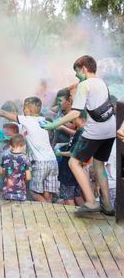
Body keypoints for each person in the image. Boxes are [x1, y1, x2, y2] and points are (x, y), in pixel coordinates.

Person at [42, 55, 116, 215]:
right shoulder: (102, 83)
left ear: (83, 68)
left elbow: (75, 112)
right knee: (99, 164)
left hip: (95, 130)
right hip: (110, 129)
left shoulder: (85, 85)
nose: (76, 76)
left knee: (73, 163)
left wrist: (54, 124)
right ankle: (108, 205)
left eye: (77, 71)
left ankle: (91, 201)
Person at [0, 96, 59, 202]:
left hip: (40, 162)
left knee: (34, 192)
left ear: (29, 109)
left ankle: (47, 210)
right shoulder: (43, 120)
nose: (23, 110)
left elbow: (3, 113)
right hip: (52, 161)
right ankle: (50, 214)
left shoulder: (26, 120)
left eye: (24, 108)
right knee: (47, 192)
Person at [55, 113, 86, 206]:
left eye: (73, 118)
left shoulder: (81, 131)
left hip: (69, 170)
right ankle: (86, 215)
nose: (72, 121)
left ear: (79, 118)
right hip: (76, 168)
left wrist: (59, 153)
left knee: (68, 198)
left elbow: (73, 153)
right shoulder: (83, 130)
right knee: (77, 195)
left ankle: (72, 219)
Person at [0, 134, 31, 201]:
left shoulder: (5, 156)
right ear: (23, 146)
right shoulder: (25, 158)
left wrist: (7, 176)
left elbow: (0, 172)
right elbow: (28, 177)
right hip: (20, 194)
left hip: (7, 193)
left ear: (10, 146)